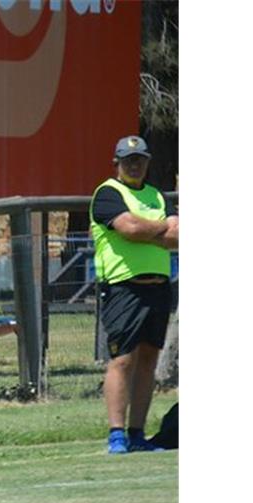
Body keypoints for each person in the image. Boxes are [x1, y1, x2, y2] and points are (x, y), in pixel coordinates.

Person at [89, 135, 178, 454]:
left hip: (158, 287)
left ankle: (138, 434)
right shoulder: (109, 193)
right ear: (117, 164)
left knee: (148, 360)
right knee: (123, 359)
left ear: (147, 162)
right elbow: (128, 229)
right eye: (128, 160)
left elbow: (178, 235)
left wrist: (149, 231)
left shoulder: (156, 195)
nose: (135, 165)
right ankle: (116, 434)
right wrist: (159, 229)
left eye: (139, 159)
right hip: (125, 287)